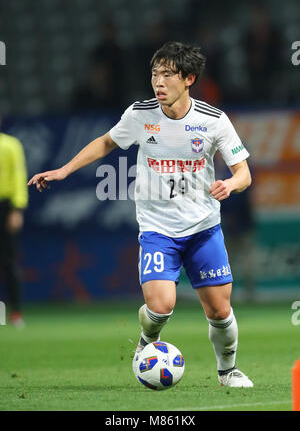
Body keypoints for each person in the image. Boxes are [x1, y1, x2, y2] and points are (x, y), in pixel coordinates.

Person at [28, 42, 253, 387]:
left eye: (167, 74)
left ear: (188, 78)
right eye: (154, 74)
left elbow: (244, 173)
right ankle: (147, 341)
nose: (158, 82)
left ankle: (228, 371)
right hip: (158, 229)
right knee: (161, 306)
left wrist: (230, 184)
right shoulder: (140, 115)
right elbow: (106, 142)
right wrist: (64, 170)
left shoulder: (213, 120)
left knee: (220, 311)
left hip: (204, 228)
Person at [0, 119, 28, 327]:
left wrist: (17, 208)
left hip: (4, 206)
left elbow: (19, 176)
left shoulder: (10, 145)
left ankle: (15, 312)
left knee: (8, 262)